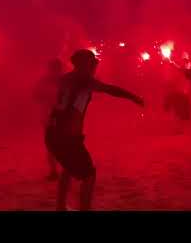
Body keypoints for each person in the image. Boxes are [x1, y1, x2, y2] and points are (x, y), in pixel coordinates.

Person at [45, 49, 144, 211]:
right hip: (68, 137)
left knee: (68, 168)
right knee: (89, 174)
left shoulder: (65, 79)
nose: (95, 67)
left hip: (53, 133)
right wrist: (134, 97)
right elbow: (112, 90)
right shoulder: (85, 81)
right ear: (84, 65)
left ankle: (61, 206)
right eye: (92, 63)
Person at [34, 59, 64, 180]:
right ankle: (54, 170)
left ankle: (59, 170)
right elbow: (35, 96)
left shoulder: (64, 81)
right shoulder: (44, 81)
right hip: (49, 115)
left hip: (61, 116)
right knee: (52, 144)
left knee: (60, 143)